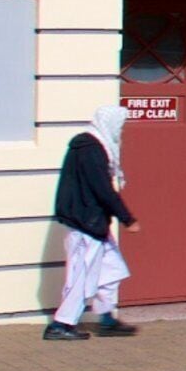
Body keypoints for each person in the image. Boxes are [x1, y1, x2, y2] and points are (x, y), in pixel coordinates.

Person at [43, 105, 139, 340]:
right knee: (82, 275)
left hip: (93, 222)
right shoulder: (92, 150)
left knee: (111, 269)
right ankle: (61, 324)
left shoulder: (92, 147)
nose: (121, 131)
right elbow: (102, 188)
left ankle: (106, 319)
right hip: (87, 222)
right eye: (120, 125)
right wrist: (127, 218)